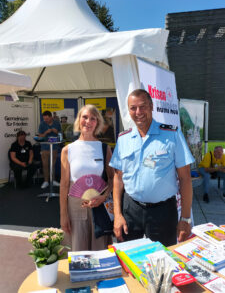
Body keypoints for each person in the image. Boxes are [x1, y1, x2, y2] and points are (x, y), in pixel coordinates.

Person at [109, 89, 194, 247]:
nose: (138, 112)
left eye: (143, 106)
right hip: (130, 209)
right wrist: (118, 214)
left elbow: (185, 178)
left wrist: (185, 218)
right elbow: (118, 178)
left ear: (151, 106)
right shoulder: (123, 138)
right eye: (133, 108)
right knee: (129, 259)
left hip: (162, 211)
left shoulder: (172, 135)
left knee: (163, 262)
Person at [60, 104, 114, 251]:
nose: (88, 122)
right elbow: (64, 185)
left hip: (99, 207)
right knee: (78, 251)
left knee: (100, 252)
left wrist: (104, 196)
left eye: (93, 118)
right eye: (85, 117)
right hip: (75, 209)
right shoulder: (68, 150)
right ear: (79, 119)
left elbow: (111, 178)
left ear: (97, 123)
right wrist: (63, 215)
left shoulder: (104, 148)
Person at [38, 110, 61, 189]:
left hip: (54, 147)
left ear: (51, 117)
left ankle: (53, 180)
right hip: (45, 147)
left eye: (47, 119)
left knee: (53, 165)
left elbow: (61, 135)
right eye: (44, 119)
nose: (46, 120)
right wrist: (46, 133)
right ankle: (46, 181)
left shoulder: (57, 123)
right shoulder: (42, 124)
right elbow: (40, 136)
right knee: (45, 164)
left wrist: (56, 132)